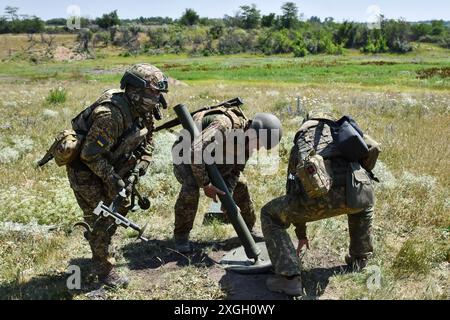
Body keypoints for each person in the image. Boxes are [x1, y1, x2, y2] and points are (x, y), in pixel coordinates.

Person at [66, 63, 169, 287]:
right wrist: (113, 179)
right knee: (101, 219)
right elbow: (89, 155)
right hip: (86, 172)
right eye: (153, 91)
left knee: (116, 213)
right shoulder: (110, 116)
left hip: (115, 165)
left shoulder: (143, 107)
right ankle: (103, 271)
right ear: (135, 90)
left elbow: (148, 135)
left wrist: (143, 161)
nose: (157, 96)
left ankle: (99, 245)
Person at [261, 110, 379, 296]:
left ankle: (289, 278)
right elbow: (370, 152)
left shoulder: (301, 144)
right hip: (354, 195)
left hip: (317, 200)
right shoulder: (346, 133)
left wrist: (301, 234)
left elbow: (293, 191)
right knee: (364, 204)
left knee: (269, 213)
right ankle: (360, 260)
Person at [172, 106, 283, 253]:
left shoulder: (247, 143)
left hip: (214, 158)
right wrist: (206, 184)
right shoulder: (225, 124)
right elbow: (196, 151)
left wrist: (227, 197)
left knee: (241, 185)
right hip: (186, 155)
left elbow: (236, 171)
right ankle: (181, 236)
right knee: (191, 186)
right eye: (260, 144)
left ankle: (248, 228)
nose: (258, 148)